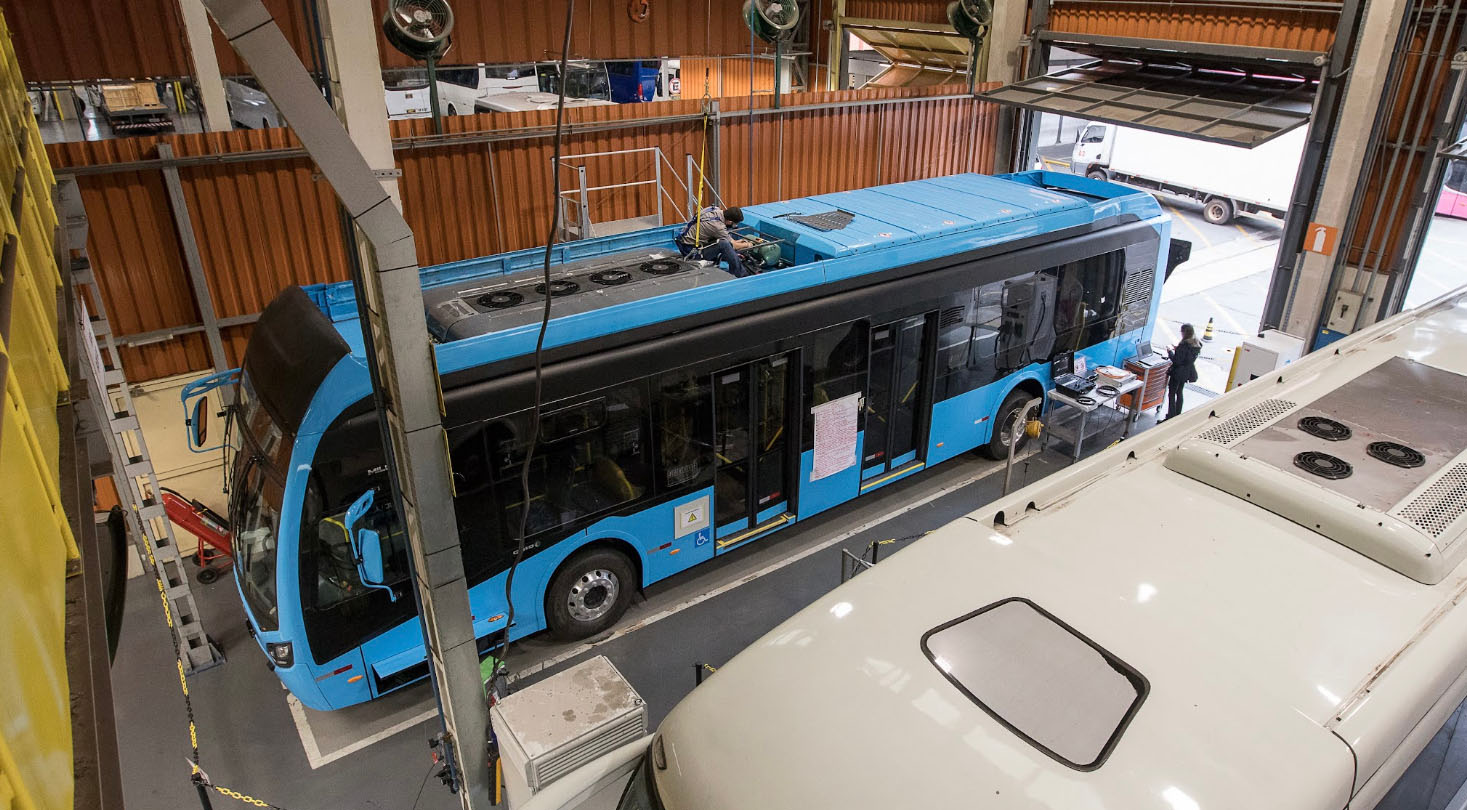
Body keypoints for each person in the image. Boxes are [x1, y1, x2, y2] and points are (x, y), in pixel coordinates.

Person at [676, 205, 753, 277]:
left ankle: (731, 257)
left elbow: (728, 239)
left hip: (685, 241)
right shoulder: (717, 226)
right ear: (730, 221)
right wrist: (748, 245)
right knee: (724, 244)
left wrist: (738, 241)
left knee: (724, 239)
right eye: (734, 224)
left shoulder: (714, 209)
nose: (735, 225)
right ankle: (740, 273)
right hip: (691, 251)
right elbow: (734, 246)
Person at [1165, 324, 1201, 420]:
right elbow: (1187, 357)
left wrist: (1170, 352)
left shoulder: (1184, 345)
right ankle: (1177, 414)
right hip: (1187, 372)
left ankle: (1170, 416)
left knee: (1172, 393)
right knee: (1179, 392)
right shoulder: (1196, 344)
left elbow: (1177, 361)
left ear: (1184, 332)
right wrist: (1178, 350)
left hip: (1177, 373)